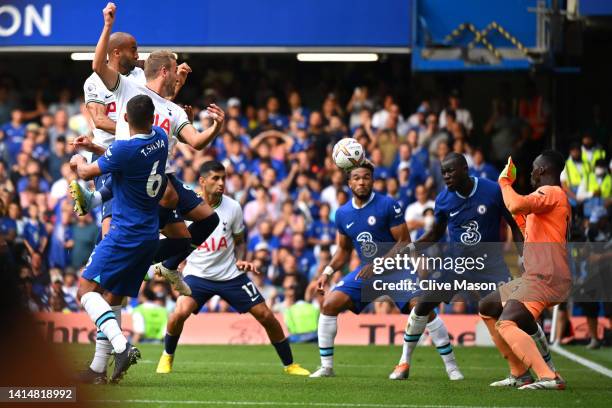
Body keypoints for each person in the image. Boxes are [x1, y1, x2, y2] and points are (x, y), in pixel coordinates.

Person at [71, 3, 225, 296]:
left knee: (201, 225)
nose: (178, 79)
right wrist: (107, 25)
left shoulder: (173, 110)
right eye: (174, 73)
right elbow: (98, 68)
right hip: (134, 174)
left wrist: (216, 127)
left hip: (161, 176)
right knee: (118, 244)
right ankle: (117, 252)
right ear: (165, 72)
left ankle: (156, 264)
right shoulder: (129, 89)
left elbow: (196, 141)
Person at [310, 161, 461, 380]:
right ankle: (327, 367)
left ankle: (452, 367)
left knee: (421, 307)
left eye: (366, 177)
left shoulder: (388, 204)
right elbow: (343, 249)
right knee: (330, 303)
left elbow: (404, 241)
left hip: (396, 269)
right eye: (357, 178)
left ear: (372, 180)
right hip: (367, 272)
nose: (362, 181)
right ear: (349, 183)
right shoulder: (342, 214)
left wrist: (380, 264)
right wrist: (327, 271)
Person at [156, 161, 310, 376]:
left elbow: (240, 241)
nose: (221, 183)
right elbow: (172, 238)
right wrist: (174, 262)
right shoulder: (186, 206)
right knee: (178, 314)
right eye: (215, 178)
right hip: (197, 275)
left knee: (266, 315)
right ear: (202, 181)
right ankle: (167, 356)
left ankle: (290, 364)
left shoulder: (234, 207)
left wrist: (240, 259)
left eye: (223, 178)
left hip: (230, 275)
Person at [383, 152, 524, 381]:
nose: (446, 176)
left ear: (465, 169)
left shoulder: (493, 190)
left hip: (491, 265)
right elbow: (435, 234)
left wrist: (524, 257)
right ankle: (404, 363)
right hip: (458, 265)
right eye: (443, 173)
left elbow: (515, 226)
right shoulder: (443, 199)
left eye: (450, 171)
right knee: (422, 304)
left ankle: (526, 371)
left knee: (505, 315)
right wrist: (408, 249)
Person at [70, 94, 169, 384]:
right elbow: (124, 165)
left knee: (85, 290)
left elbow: (89, 171)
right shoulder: (161, 138)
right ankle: (98, 370)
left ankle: (123, 347)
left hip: (125, 233)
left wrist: (79, 159)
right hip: (148, 235)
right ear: (152, 119)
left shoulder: (125, 149)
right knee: (112, 298)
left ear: (125, 119)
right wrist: (96, 147)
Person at [479, 152, 571, 390]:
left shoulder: (551, 193)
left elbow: (516, 203)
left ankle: (549, 377)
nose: (530, 172)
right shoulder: (547, 200)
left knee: (506, 323)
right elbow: (523, 222)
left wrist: (504, 182)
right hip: (536, 276)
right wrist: (516, 212)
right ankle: (520, 373)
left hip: (546, 277)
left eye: (533, 168)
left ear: (541, 170)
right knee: (488, 308)